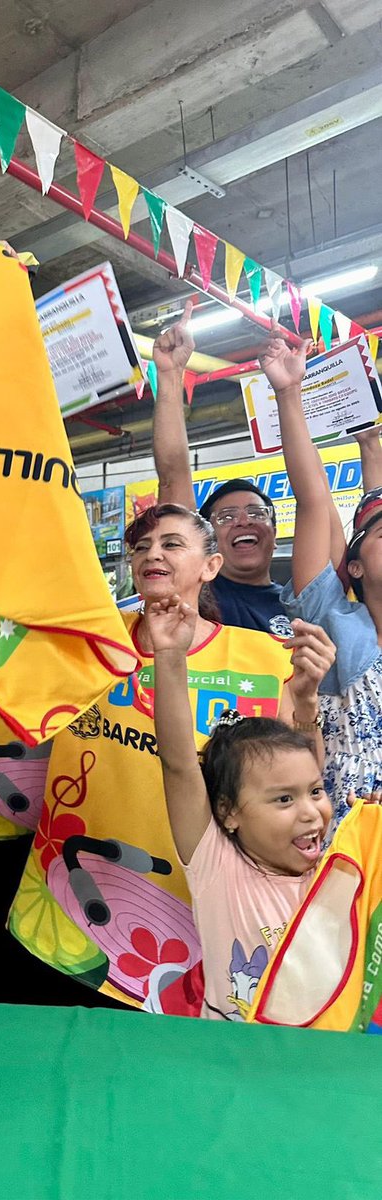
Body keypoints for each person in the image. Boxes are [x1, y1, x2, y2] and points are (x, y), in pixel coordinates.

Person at [8, 502, 334, 1013]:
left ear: (211, 566)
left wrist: (309, 701)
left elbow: (303, 777)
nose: (152, 553)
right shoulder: (87, 639)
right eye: (141, 547)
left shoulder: (267, 659)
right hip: (65, 914)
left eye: (171, 544)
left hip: (196, 934)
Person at [147, 591, 331, 1020]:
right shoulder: (216, 867)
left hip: (315, 1064)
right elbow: (177, 764)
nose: (309, 812)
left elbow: (306, 766)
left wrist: (305, 704)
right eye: (283, 799)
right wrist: (171, 656)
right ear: (229, 812)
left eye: (316, 793)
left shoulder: (336, 871)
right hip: (230, 1064)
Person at [151, 302, 347, 637]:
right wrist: (170, 377)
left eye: (257, 513)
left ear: (273, 530)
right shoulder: (196, 593)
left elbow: (313, 498)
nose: (244, 521)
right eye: (226, 517)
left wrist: (288, 392)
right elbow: (172, 477)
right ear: (206, 544)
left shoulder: (306, 602)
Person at [270, 326, 382, 830]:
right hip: (347, 847)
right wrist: (289, 393)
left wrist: (372, 447)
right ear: (354, 567)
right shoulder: (334, 624)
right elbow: (315, 500)